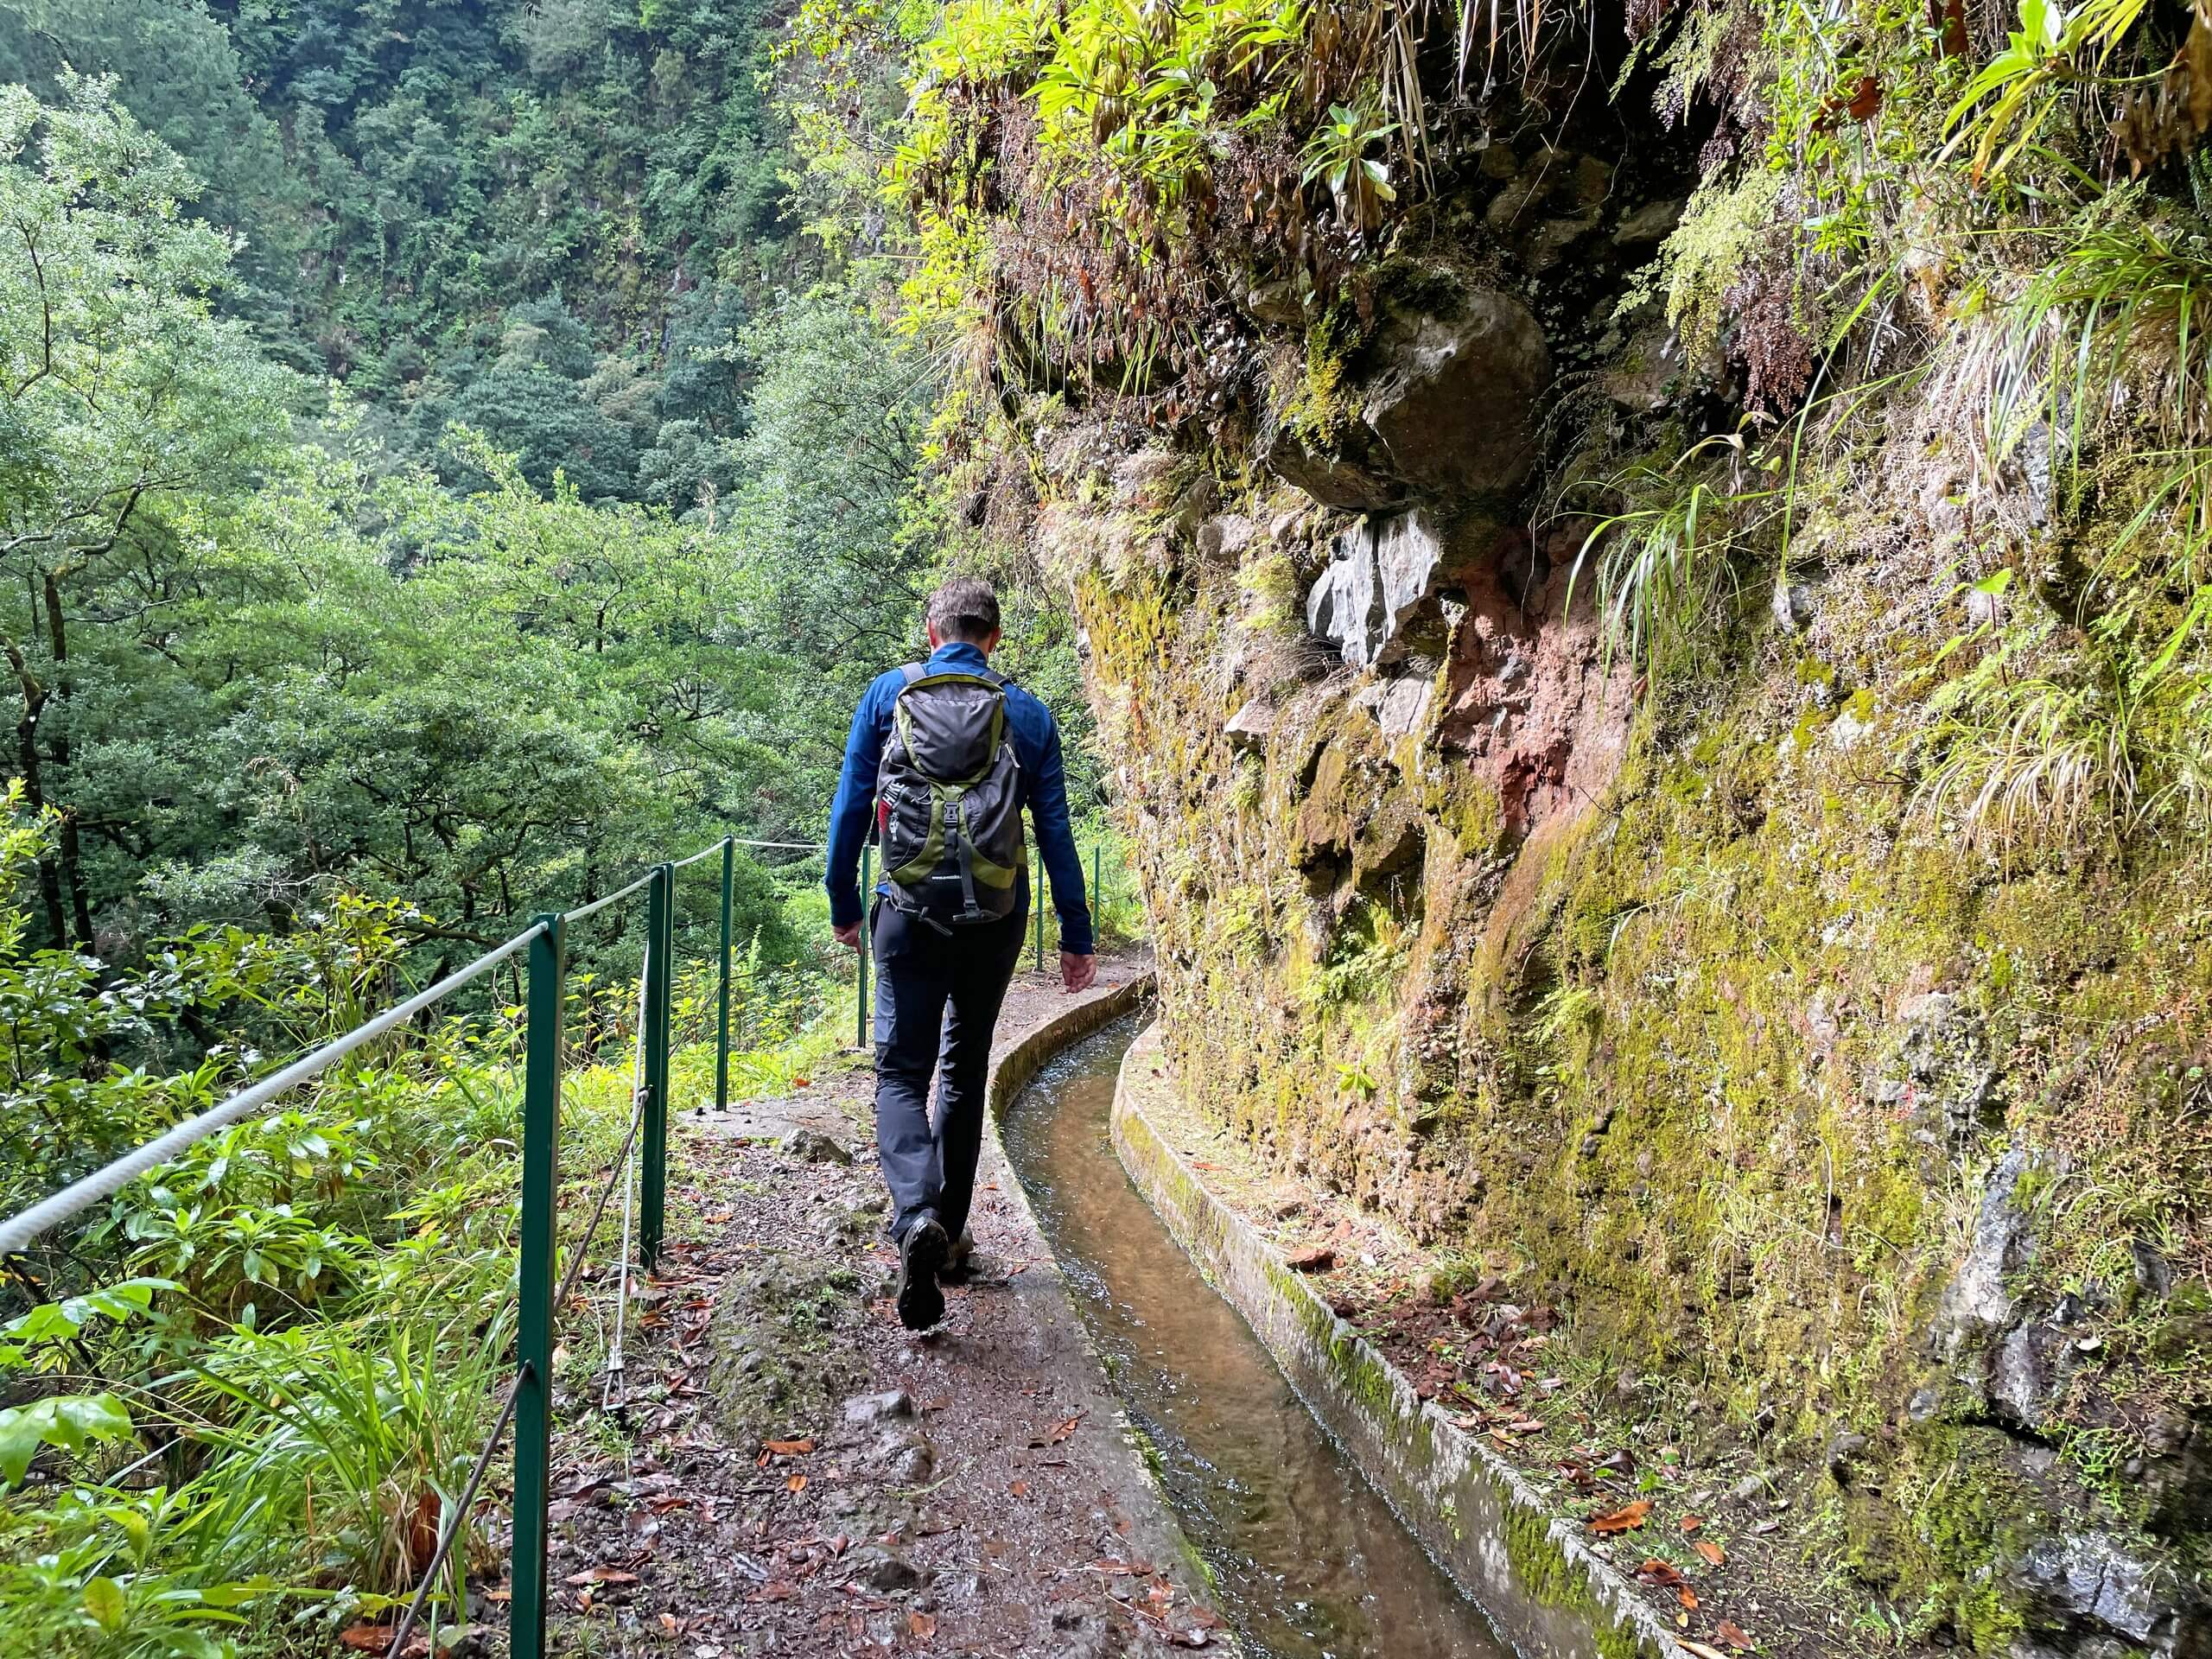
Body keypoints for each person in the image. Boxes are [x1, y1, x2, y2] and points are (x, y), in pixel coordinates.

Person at [825, 576, 1096, 1331]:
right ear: (995, 638)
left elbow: (851, 807)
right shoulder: (1029, 714)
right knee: (964, 1066)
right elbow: (1056, 835)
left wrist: (844, 903)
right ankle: (947, 1237)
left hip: (906, 914)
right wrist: (1075, 935)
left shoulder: (888, 695)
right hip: (994, 920)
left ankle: (914, 1216)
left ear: (932, 627)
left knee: (900, 1070)